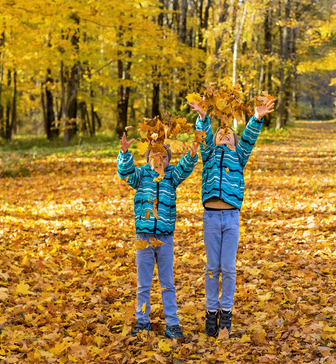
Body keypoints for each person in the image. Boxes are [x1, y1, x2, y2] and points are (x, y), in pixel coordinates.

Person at [187, 99, 275, 337]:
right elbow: (204, 135)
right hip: (211, 218)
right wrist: (203, 118)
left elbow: (248, 138)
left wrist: (256, 118)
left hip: (232, 217)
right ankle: (211, 311)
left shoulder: (239, 156)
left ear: (236, 143)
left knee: (228, 267)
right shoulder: (209, 155)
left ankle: (226, 311)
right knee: (212, 267)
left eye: (229, 134)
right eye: (220, 133)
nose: (224, 134)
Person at [117, 132, 199, 338]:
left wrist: (191, 154)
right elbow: (125, 172)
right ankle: (142, 321)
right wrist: (124, 152)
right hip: (143, 237)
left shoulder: (172, 175)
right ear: (147, 158)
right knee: (143, 283)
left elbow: (185, 168)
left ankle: (172, 323)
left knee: (167, 283)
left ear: (168, 160)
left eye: (163, 156)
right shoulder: (141, 175)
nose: (159, 159)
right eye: (154, 154)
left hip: (164, 238)